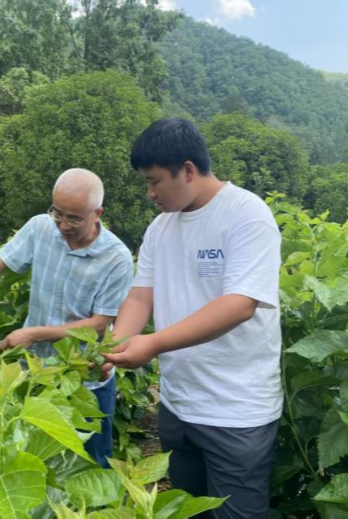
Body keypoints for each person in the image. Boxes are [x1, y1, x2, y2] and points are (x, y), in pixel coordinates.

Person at [101, 119, 282, 518]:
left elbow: (240, 304)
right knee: (187, 510)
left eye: (154, 182)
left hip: (234, 411)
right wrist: (112, 348)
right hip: (178, 405)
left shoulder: (246, 214)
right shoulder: (161, 227)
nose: (150, 193)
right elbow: (141, 294)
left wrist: (153, 343)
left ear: (187, 169)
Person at [0, 168, 134, 467]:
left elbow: (99, 323)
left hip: (83, 377)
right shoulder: (40, 228)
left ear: (97, 213)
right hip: (33, 373)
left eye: (74, 218)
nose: (63, 225)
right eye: (57, 213)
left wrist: (34, 334)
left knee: (89, 465)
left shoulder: (116, 258)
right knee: (29, 462)